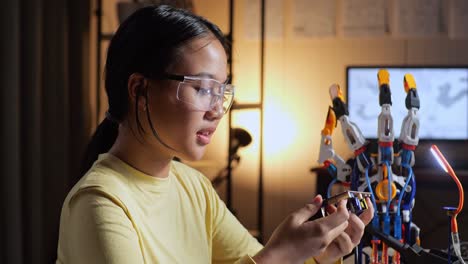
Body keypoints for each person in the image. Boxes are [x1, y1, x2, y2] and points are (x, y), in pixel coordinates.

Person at [56, 5, 373, 264]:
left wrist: (318, 255)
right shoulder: (99, 203)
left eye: (222, 92)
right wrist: (281, 254)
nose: (218, 110)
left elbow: (257, 259)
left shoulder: (192, 187)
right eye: (203, 89)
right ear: (140, 89)